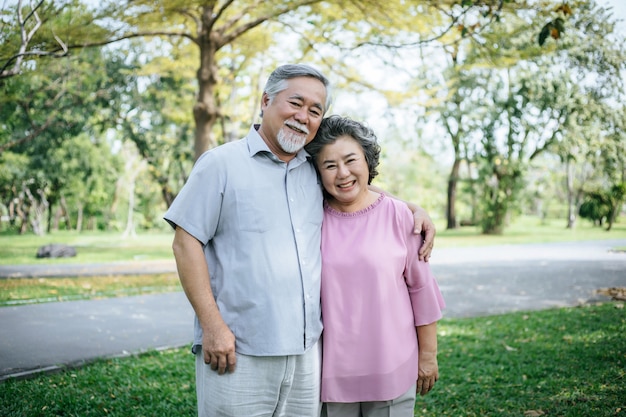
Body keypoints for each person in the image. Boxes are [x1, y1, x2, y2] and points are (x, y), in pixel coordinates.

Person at [163, 64, 436, 417]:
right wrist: (213, 328)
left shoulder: (312, 168)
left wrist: (413, 210)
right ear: (265, 101)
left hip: (307, 357)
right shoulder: (220, 164)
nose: (303, 116)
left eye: (315, 110)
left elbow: (357, 189)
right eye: (296, 103)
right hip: (238, 351)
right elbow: (185, 243)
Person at [305, 115, 446, 417]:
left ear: (367, 159)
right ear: (317, 173)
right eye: (329, 165)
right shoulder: (311, 220)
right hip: (331, 372)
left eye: (350, 160)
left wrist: (429, 356)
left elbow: (421, 290)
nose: (342, 173)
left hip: (392, 366)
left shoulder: (400, 216)